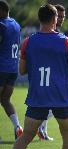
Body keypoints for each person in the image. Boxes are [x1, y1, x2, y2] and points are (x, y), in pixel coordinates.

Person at [1, 4, 68, 149]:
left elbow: (21, 70)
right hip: (60, 96)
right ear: (55, 19)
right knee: (67, 133)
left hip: (38, 95)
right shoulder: (65, 41)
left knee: (27, 134)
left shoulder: (28, 42)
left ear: (39, 19)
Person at [37, 4, 66, 141]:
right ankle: (39, 125)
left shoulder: (59, 35)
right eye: (59, 16)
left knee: (49, 106)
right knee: (55, 105)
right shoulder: (46, 34)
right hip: (48, 77)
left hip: (54, 76)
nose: (61, 19)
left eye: (63, 16)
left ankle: (42, 129)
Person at [0, 0, 23, 140]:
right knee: (5, 100)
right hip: (13, 69)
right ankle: (18, 127)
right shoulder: (16, 24)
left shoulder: (1, 25)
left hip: (1, 67)